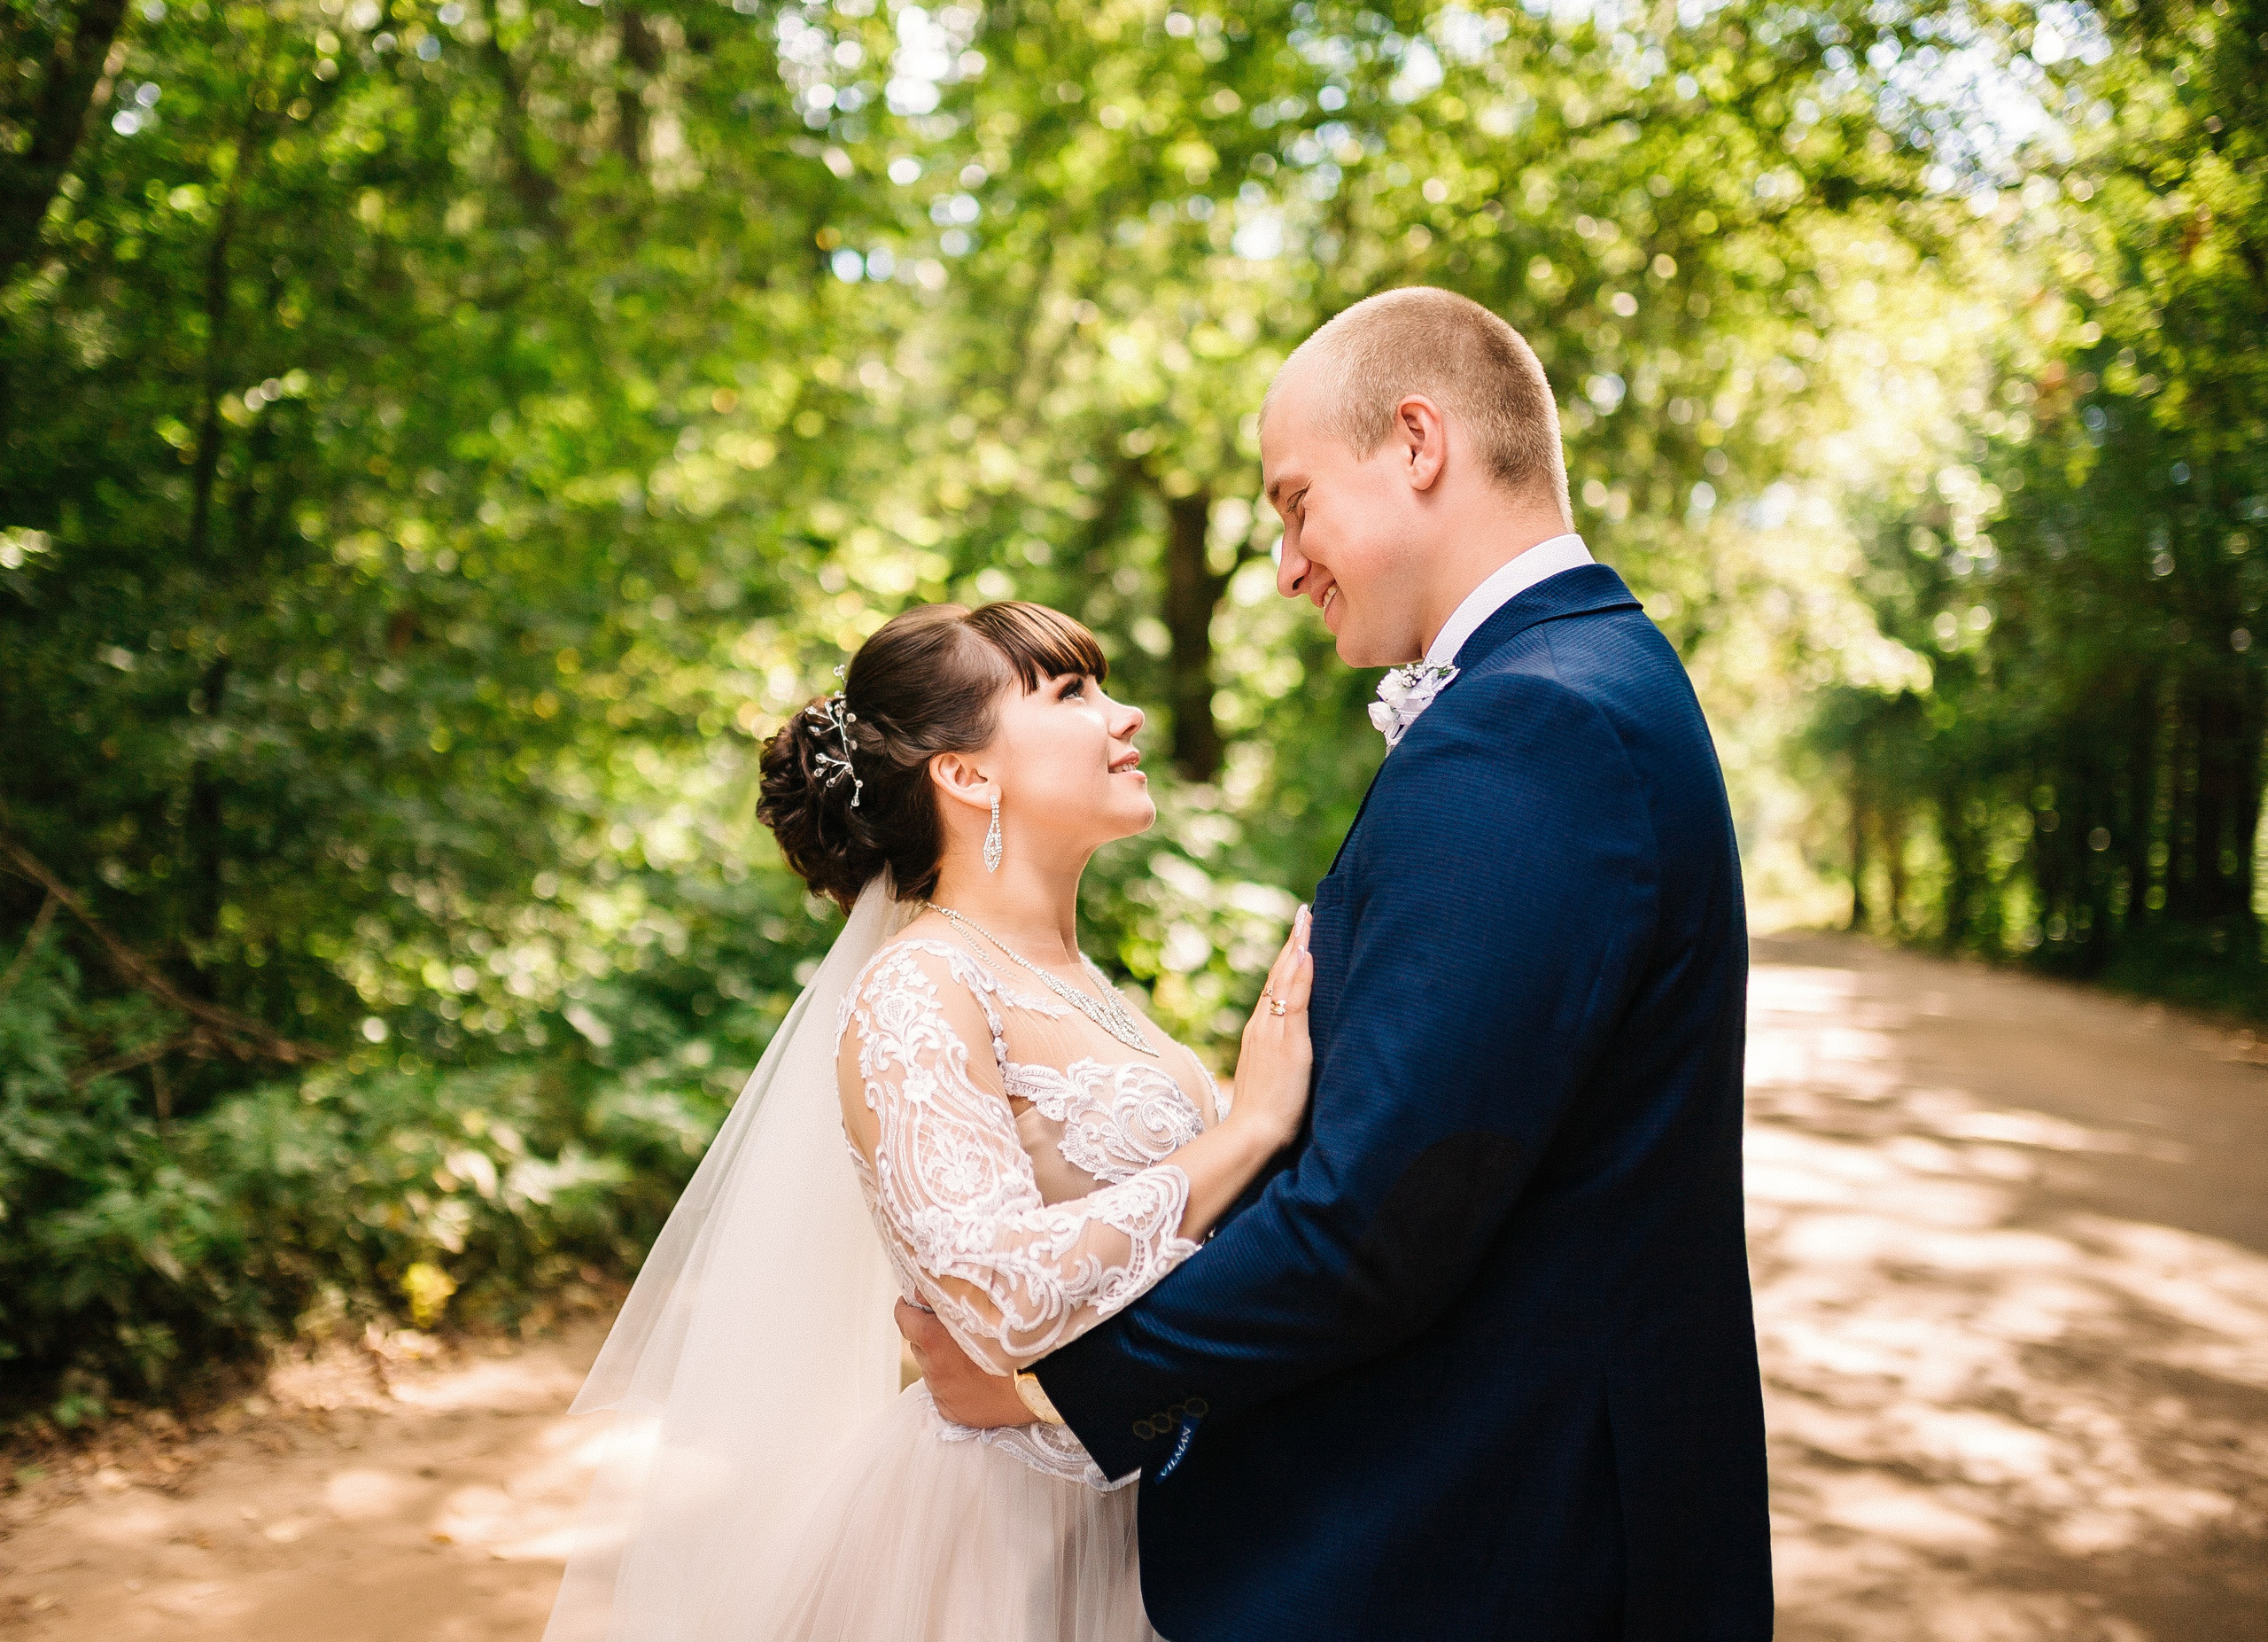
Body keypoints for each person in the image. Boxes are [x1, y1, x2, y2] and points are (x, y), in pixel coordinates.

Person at [903, 286, 1775, 1640]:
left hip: (1493, 1550)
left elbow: (1383, 1220)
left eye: (1296, 502)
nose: (1285, 561)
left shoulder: (1526, 725)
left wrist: (1049, 1389)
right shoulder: (1593, 681)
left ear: (1417, 443)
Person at [542, 600, 1314, 1642]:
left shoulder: (1080, 982)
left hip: (1146, 1503)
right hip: (1003, 1541)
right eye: (1072, 691)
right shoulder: (920, 987)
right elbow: (993, 1296)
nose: (1124, 715)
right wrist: (1249, 1126)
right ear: (967, 774)